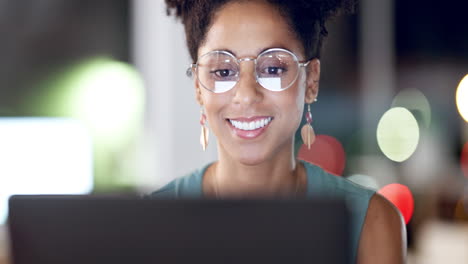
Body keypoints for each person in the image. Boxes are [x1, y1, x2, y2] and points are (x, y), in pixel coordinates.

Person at [148, 0, 406, 263]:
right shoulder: (150, 224)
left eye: (272, 69)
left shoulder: (370, 222)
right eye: (223, 71)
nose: (246, 95)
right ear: (198, 88)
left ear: (311, 81)